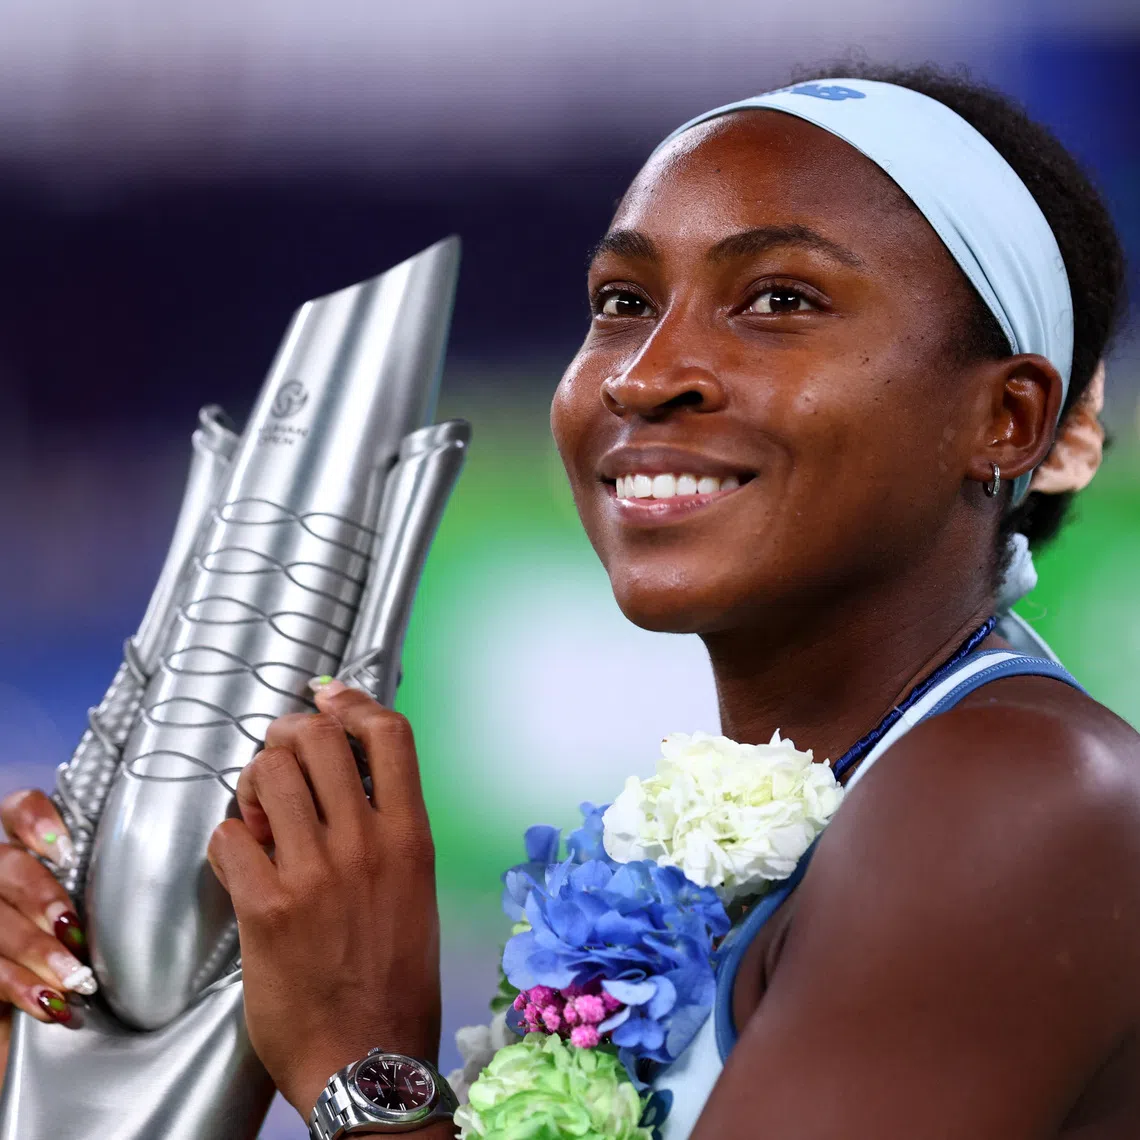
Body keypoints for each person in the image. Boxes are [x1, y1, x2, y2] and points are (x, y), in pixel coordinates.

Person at [0, 61, 1134, 1138]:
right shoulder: (758, 842)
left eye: (779, 298)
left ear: (1010, 420)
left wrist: (359, 1063)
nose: (643, 373)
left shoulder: (1020, 803)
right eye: (624, 299)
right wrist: (94, 1064)